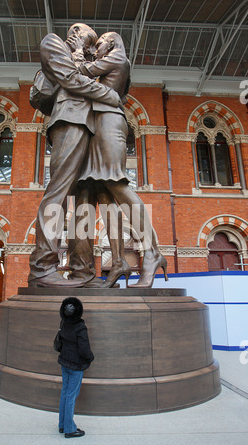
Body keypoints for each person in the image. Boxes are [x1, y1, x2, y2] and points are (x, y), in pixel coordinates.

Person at [68, 32, 168, 288]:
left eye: (100, 43)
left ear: (111, 43)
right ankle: (120, 261)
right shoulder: (113, 62)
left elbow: (78, 72)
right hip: (100, 123)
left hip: (109, 124)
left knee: (117, 185)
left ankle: (153, 251)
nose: (97, 47)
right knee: (104, 193)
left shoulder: (116, 58)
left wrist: (80, 49)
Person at [28, 24, 121, 288]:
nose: (90, 49)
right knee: (58, 192)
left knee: (85, 204)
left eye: (90, 41)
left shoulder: (92, 62)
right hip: (69, 120)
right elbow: (69, 79)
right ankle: (42, 268)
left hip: (94, 129)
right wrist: (109, 95)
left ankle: (83, 272)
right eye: (84, 37)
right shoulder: (53, 43)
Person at [56, 297, 94, 438]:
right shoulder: (80, 327)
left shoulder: (64, 323)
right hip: (76, 365)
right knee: (71, 396)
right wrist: (90, 357)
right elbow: (84, 349)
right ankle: (70, 429)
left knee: (65, 393)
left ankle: (62, 425)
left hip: (64, 362)